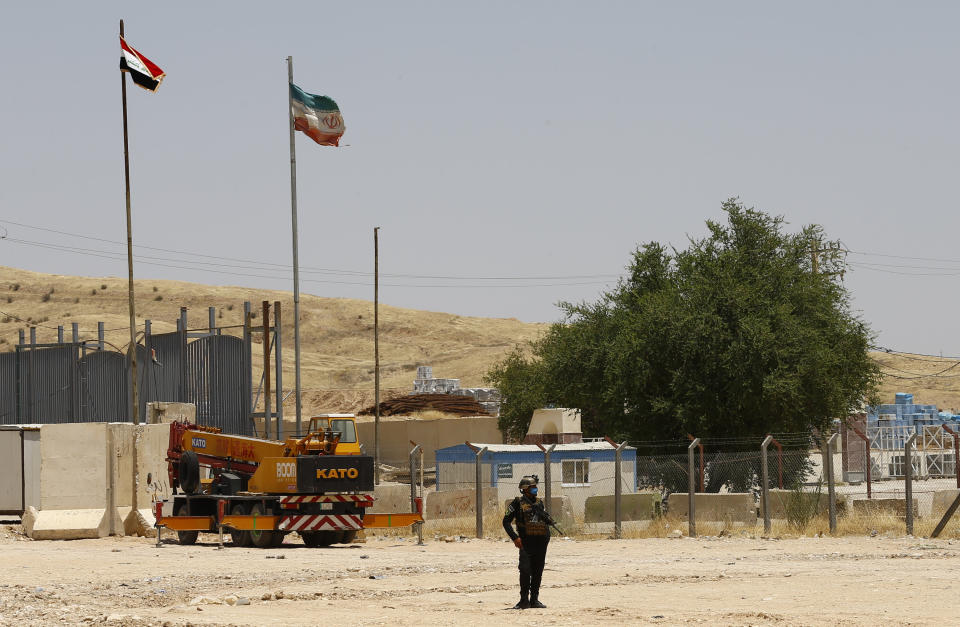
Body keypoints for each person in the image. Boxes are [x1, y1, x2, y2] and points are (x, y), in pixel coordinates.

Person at [502, 475, 550, 609]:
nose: (535, 489)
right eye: (533, 487)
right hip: (525, 542)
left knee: (538, 571)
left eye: (535, 486)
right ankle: (524, 600)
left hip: (541, 541)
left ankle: (534, 600)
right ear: (525, 489)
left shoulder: (539, 502)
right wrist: (515, 538)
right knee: (525, 570)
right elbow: (506, 521)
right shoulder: (517, 503)